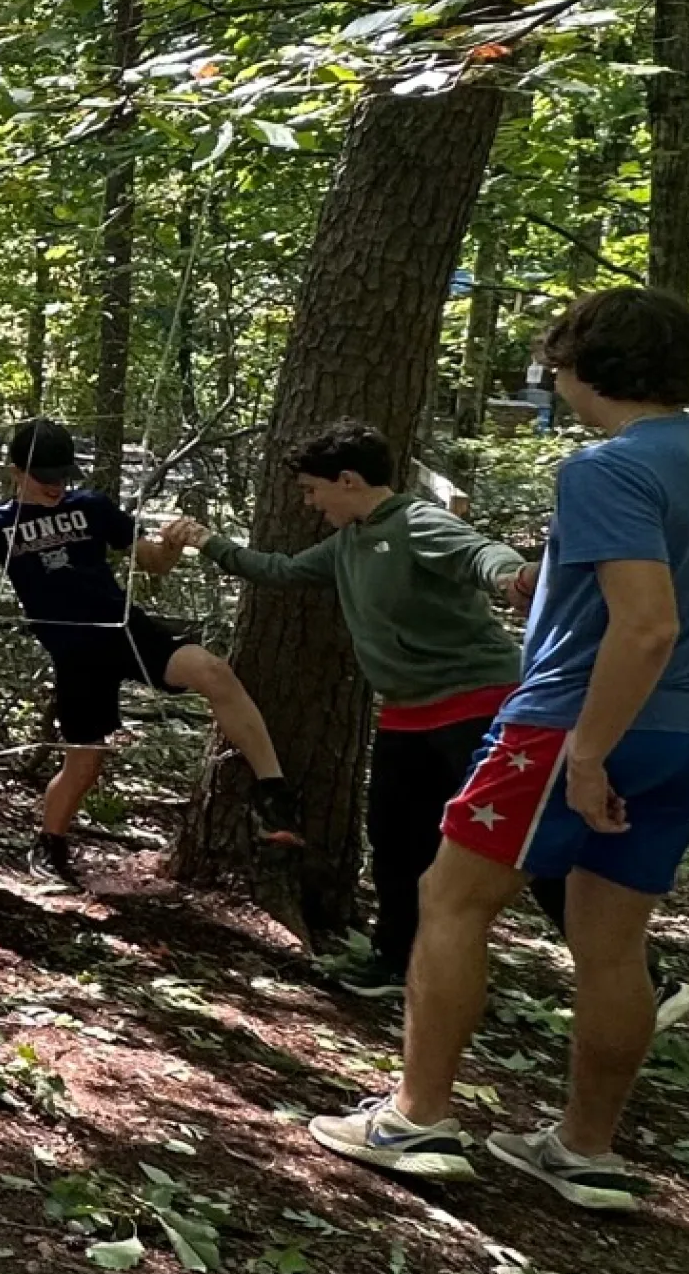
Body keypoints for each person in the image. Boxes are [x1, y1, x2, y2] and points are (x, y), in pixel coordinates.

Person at [312, 289, 689, 1213]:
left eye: (557, 365)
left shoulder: (609, 466)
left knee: (451, 899)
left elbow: (646, 625)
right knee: (612, 942)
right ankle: (583, 1150)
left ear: (591, 366)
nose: (554, 382)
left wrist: (588, 753)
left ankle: (415, 1119)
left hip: (571, 724)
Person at [169, 420, 537, 996]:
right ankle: (396, 961)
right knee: (395, 838)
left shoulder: (417, 521)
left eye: (313, 490)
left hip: (476, 704)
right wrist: (207, 541)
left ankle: (630, 967)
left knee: (519, 838)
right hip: (406, 713)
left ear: (347, 480)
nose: (310, 503)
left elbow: (480, 555)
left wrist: (515, 576)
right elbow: (280, 571)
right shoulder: (349, 542)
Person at [0, 419, 303, 876]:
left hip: (126, 631)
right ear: (17, 472)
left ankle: (273, 793)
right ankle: (49, 845)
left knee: (213, 671)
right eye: (45, 477)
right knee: (85, 762)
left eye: (63, 475)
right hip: (76, 655)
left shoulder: (91, 506)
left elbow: (154, 561)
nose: (56, 485)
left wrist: (173, 542)